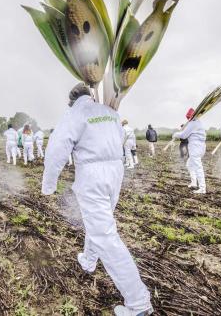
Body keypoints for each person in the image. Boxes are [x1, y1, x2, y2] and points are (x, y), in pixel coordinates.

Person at [42, 83, 152, 316]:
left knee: (105, 235)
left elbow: (56, 150)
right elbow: (119, 137)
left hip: (92, 175)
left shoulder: (74, 114)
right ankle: (89, 260)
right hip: (115, 172)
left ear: (71, 100)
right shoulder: (111, 112)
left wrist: (48, 186)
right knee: (100, 224)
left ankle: (138, 303)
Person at [173, 108, 207, 194]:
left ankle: (202, 188)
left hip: (195, 147)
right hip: (201, 147)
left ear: (190, 117)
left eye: (188, 117)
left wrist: (175, 134)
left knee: (198, 167)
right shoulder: (199, 122)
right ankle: (194, 183)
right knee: (189, 164)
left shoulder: (192, 123)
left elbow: (184, 135)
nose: (188, 119)